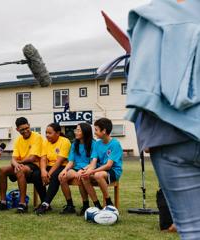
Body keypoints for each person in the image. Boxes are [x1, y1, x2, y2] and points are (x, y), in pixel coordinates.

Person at [126, 1, 200, 238]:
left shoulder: (151, 16)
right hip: (172, 139)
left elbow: (142, 88)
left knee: (192, 231)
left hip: (170, 135)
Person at [0, 117, 46, 213]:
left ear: (29, 125)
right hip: (22, 164)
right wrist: (15, 163)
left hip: (34, 165)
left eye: (26, 128)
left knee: (20, 170)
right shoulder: (18, 140)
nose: (25, 131)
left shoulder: (37, 137)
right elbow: (13, 158)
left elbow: (32, 158)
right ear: (17, 130)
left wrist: (17, 163)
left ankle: (22, 204)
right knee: (2, 170)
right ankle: (3, 202)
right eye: (22, 130)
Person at [80, 118, 123, 209]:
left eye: (96, 130)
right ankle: (97, 204)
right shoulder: (97, 144)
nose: (94, 132)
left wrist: (92, 171)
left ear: (104, 131)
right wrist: (88, 171)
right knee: (84, 176)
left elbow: (108, 165)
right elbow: (94, 161)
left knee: (98, 175)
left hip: (113, 171)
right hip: (99, 170)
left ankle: (108, 201)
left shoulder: (115, 144)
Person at [58, 123, 95, 215]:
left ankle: (85, 205)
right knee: (62, 177)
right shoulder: (75, 144)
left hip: (89, 169)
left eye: (78, 130)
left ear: (85, 132)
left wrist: (82, 169)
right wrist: (64, 170)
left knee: (80, 176)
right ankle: (70, 206)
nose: (76, 132)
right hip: (76, 169)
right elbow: (71, 162)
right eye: (76, 130)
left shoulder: (93, 144)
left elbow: (92, 163)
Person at [35, 123, 71, 215]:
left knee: (55, 176)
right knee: (36, 174)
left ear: (58, 133)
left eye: (49, 133)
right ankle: (44, 202)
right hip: (49, 166)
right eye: (46, 133)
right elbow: (43, 158)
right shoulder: (45, 142)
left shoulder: (65, 141)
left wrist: (48, 174)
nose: (47, 135)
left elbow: (59, 161)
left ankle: (45, 203)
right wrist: (43, 171)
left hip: (63, 166)